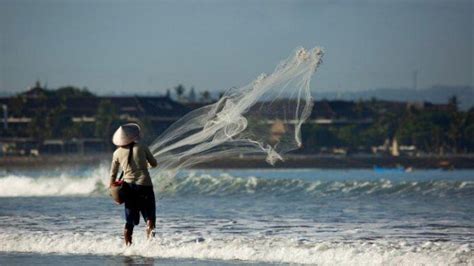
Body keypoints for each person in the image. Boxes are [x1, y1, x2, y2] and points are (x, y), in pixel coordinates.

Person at [109, 123, 158, 246]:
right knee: (149, 218)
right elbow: (154, 163)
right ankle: (150, 246)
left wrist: (112, 190)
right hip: (145, 185)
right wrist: (145, 165)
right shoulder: (142, 147)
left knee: (129, 221)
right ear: (132, 136)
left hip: (128, 188)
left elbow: (113, 174)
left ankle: (128, 248)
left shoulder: (117, 153)